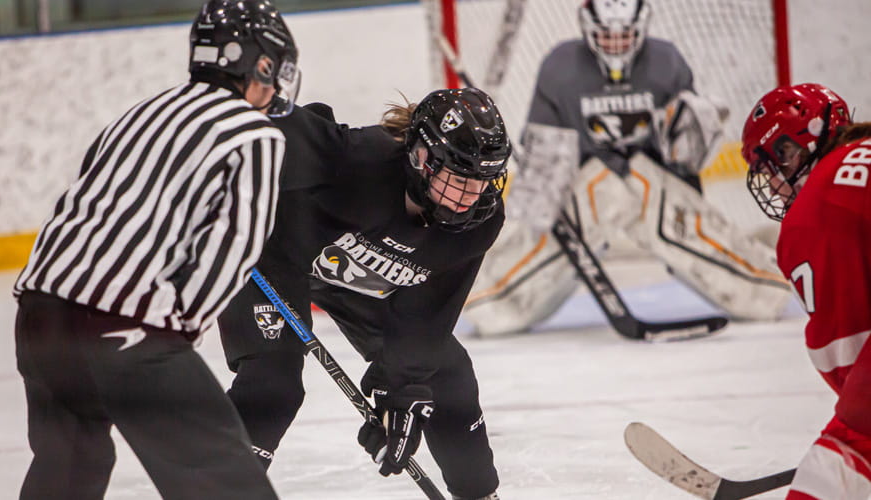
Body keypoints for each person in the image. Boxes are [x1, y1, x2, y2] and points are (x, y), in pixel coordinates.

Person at [11, 1, 300, 498]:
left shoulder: (135, 115)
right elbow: (235, 244)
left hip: (39, 320)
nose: (273, 89)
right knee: (224, 482)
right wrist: (179, 330)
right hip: (125, 328)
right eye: (272, 73)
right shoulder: (255, 133)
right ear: (259, 64)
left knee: (71, 468)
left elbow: (81, 206)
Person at [217, 88, 510, 500]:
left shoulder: (478, 223)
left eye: (482, 180)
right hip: (275, 256)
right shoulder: (357, 160)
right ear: (423, 159)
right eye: (460, 178)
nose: (470, 197)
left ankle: (479, 495)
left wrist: (401, 390)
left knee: (448, 375)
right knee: (274, 385)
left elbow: (428, 317)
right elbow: (266, 127)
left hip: (357, 278)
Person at [461, 0, 792, 336]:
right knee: (596, 194)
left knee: (662, 208)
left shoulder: (667, 62)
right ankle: (488, 298)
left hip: (647, 182)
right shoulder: (559, 68)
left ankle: (763, 289)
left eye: (624, 35)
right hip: (586, 186)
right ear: (588, 28)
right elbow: (545, 157)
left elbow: (682, 158)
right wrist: (542, 218)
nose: (616, 44)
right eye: (606, 35)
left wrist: (692, 139)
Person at [740, 83, 871, 500]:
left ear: (791, 151)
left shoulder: (814, 211)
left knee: (841, 457)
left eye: (771, 167)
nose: (775, 187)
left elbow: (846, 350)